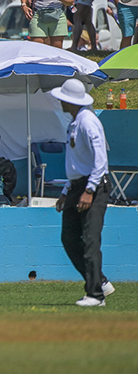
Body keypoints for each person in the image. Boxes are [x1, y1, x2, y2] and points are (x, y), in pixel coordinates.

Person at [50, 79, 115, 307]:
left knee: (89, 240)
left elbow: (100, 161)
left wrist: (89, 190)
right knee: (68, 238)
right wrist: (68, 190)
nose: (59, 101)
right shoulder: (74, 123)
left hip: (93, 186)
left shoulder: (88, 122)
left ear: (70, 101)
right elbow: (77, 164)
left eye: (62, 98)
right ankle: (101, 282)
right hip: (78, 186)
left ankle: (96, 295)